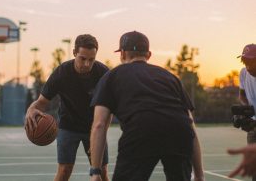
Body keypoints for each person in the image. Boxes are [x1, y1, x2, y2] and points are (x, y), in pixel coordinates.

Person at [89, 31, 204, 181]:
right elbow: (190, 125)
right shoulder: (169, 77)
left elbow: (99, 124)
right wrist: (200, 175)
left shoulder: (111, 76)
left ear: (122, 54)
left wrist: (95, 170)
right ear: (148, 55)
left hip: (141, 129)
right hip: (179, 130)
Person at [25, 34, 109, 181]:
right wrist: (31, 109)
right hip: (68, 126)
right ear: (74, 53)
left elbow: (110, 108)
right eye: (83, 58)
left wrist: (99, 135)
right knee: (64, 170)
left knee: (102, 172)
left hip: (95, 127)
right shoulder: (61, 73)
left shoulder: (103, 73)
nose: (87, 64)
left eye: (91, 59)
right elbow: (41, 102)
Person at [230, 43, 256, 180]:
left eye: (251, 61)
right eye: (245, 61)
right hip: (253, 127)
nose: (248, 65)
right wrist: (246, 110)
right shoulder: (244, 73)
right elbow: (242, 95)